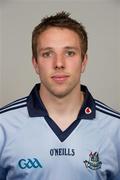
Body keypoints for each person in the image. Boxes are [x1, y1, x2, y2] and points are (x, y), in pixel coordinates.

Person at [0, 11, 120, 180]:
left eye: (69, 53)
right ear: (35, 63)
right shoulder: (3, 126)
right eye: (47, 54)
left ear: (83, 61)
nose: (59, 64)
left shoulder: (115, 129)